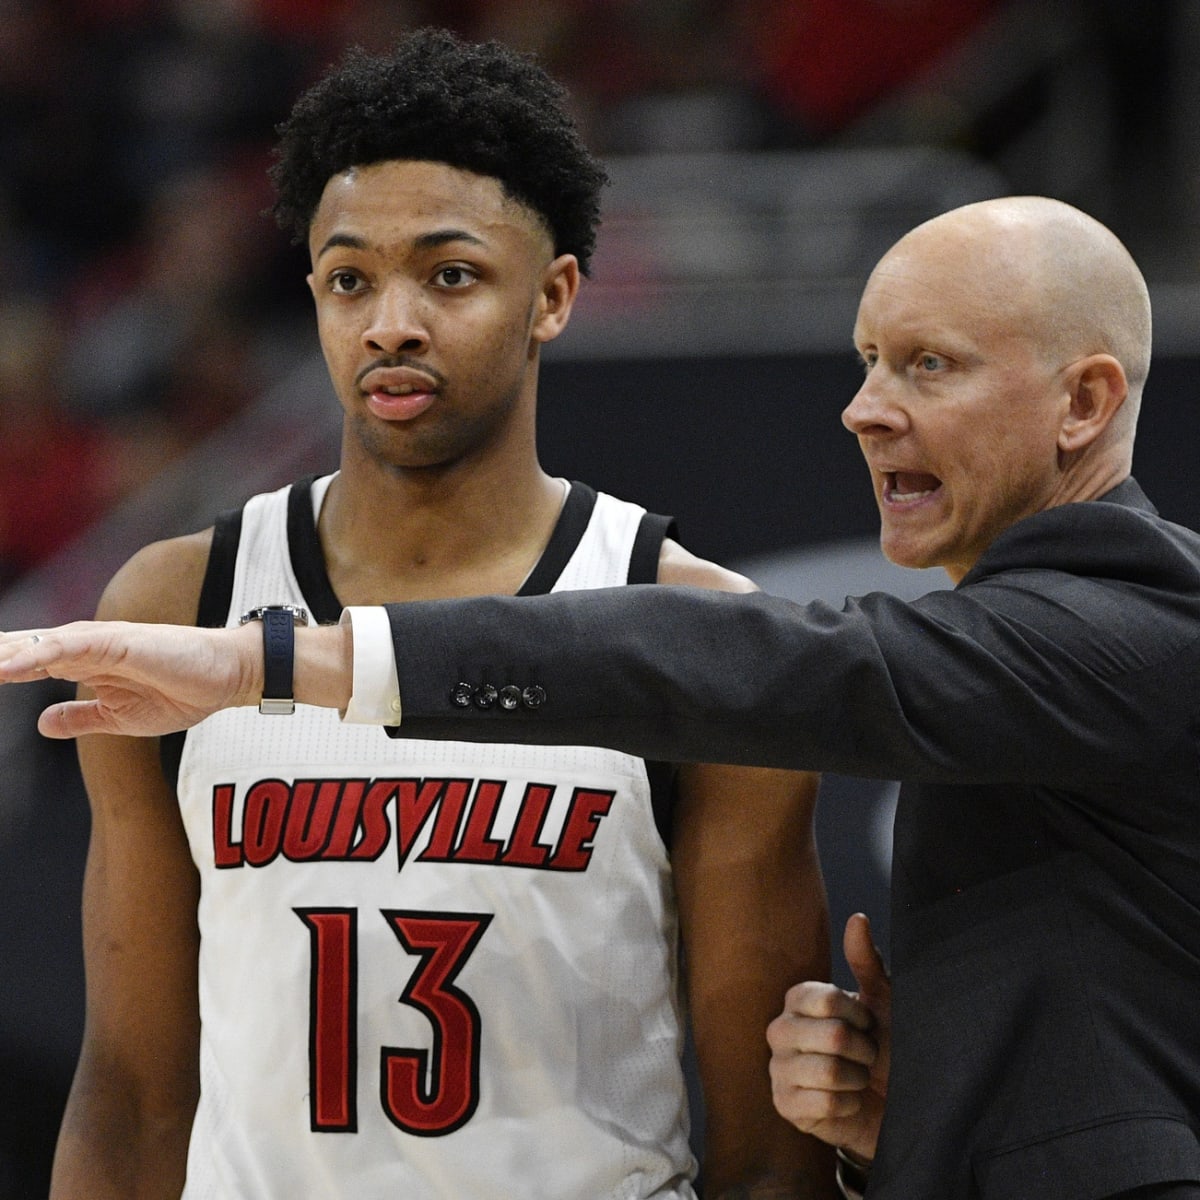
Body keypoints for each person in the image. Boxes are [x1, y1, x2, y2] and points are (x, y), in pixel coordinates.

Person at [5, 196, 1198, 1199]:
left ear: (1085, 404)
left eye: (928, 364)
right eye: (868, 360)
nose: (865, 406)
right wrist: (915, 1121)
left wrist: (274, 661)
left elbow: (760, 663)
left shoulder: (1138, 624)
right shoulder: (1036, 662)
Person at [19, 29, 834, 1200]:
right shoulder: (178, 602)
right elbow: (133, 1091)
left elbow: (770, 1153)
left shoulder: (687, 622)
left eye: (449, 275)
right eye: (351, 278)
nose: (390, 322)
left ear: (552, 296)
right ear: (311, 296)